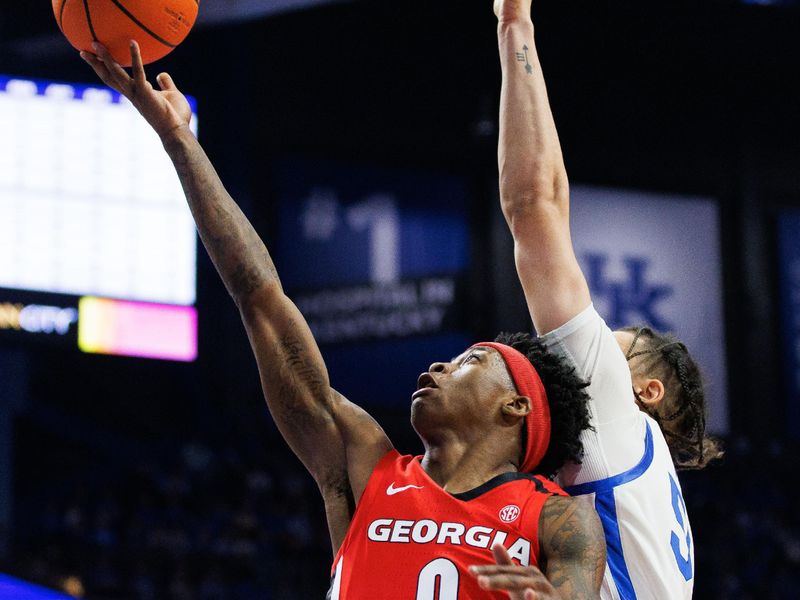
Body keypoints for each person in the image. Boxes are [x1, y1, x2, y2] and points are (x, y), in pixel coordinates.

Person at [80, 41, 607, 599]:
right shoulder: (365, 466)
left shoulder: (558, 519)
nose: (438, 365)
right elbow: (259, 295)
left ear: (516, 407)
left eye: (469, 362)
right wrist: (179, 141)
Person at [492, 1, 723, 598]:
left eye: (609, 348)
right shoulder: (639, 478)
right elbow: (549, 209)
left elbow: (532, 208)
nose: (587, 358)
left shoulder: (619, 423)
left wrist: (515, 23)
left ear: (644, 391)